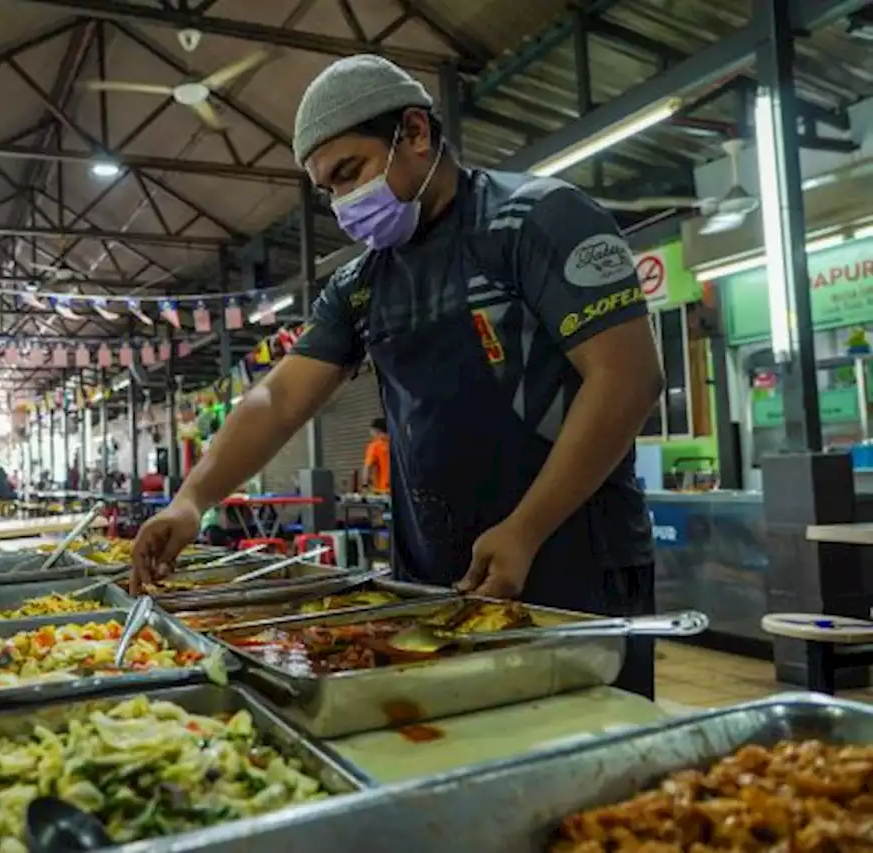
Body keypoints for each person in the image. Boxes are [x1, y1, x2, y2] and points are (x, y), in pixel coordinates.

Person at [130, 55, 662, 697]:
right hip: (438, 579)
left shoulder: (534, 221)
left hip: (574, 564)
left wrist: (526, 528)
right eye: (328, 189)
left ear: (414, 132)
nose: (343, 202)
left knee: (597, 764)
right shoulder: (363, 283)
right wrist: (192, 499)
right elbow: (276, 399)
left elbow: (626, 378)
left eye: (349, 172)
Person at [363, 417, 391, 493]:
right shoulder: (395, 444)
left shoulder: (375, 446)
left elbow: (367, 467)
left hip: (383, 491)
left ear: (376, 430)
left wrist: (365, 486)